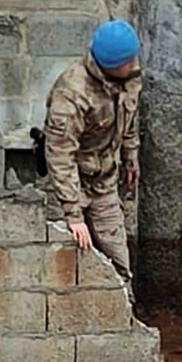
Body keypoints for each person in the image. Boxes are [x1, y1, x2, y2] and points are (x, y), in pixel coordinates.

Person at [44, 19, 141, 302]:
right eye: (128, 60)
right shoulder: (72, 93)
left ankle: (125, 320)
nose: (136, 63)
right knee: (62, 263)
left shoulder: (129, 75)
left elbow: (130, 117)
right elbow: (60, 155)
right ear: (110, 64)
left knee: (119, 259)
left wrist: (130, 156)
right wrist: (73, 214)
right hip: (70, 185)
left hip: (105, 181)